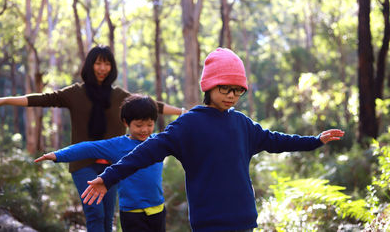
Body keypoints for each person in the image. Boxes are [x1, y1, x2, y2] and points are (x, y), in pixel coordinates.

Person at [81, 47, 345, 232]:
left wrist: (314, 140)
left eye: (238, 90)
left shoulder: (242, 124)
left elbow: (277, 141)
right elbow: (144, 152)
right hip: (209, 222)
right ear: (208, 87)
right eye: (225, 88)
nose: (231, 95)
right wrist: (108, 177)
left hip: (243, 219)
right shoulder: (188, 125)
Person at [0, 45, 184, 232]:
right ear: (90, 65)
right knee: (95, 212)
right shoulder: (75, 93)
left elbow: (150, 107)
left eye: (107, 64)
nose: (102, 68)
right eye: (98, 63)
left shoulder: (119, 96)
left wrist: (183, 111)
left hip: (114, 163)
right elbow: (42, 99)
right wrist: (5, 100)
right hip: (84, 162)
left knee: (108, 216)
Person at [34, 94, 167, 232]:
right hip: (132, 213)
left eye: (150, 125)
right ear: (126, 123)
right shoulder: (117, 145)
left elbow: (180, 137)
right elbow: (87, 148)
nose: (145, 129)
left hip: (158, 209)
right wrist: (58, 155)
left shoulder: (158, 142)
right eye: (139, 125)